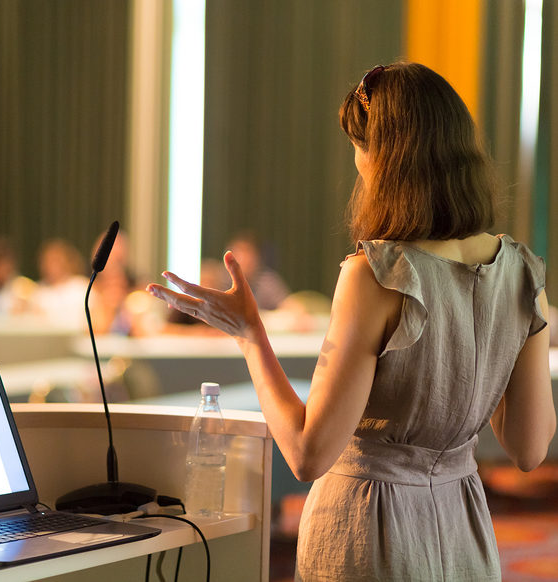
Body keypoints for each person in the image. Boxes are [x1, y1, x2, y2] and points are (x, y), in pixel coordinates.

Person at [147, 62, 555, 581]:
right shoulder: (521, 273)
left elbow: (307, 452)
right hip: (464, 530)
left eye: (359, 147)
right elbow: (528, 448)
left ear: (387, 159)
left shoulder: (377, 275)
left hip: (368, 527)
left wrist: (251, 334)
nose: (357, 165)